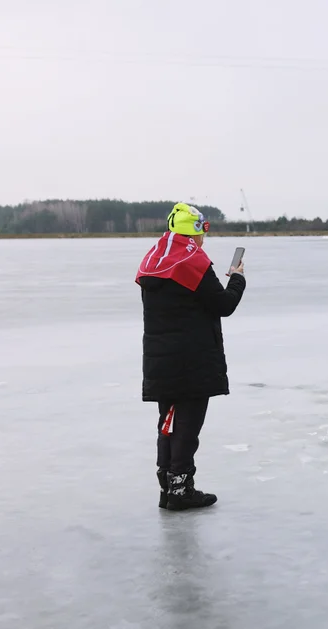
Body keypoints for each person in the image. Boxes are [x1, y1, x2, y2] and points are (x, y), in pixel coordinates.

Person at [136, 203, 246, 511]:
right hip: (192, 360)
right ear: (195, 233)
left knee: (168, 423)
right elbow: (223, 304)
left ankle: (167, 487)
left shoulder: (153, 260)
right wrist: (238, 278)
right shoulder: (191, 261)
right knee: (186, 425)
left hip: (160, 360)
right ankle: (181, 489)